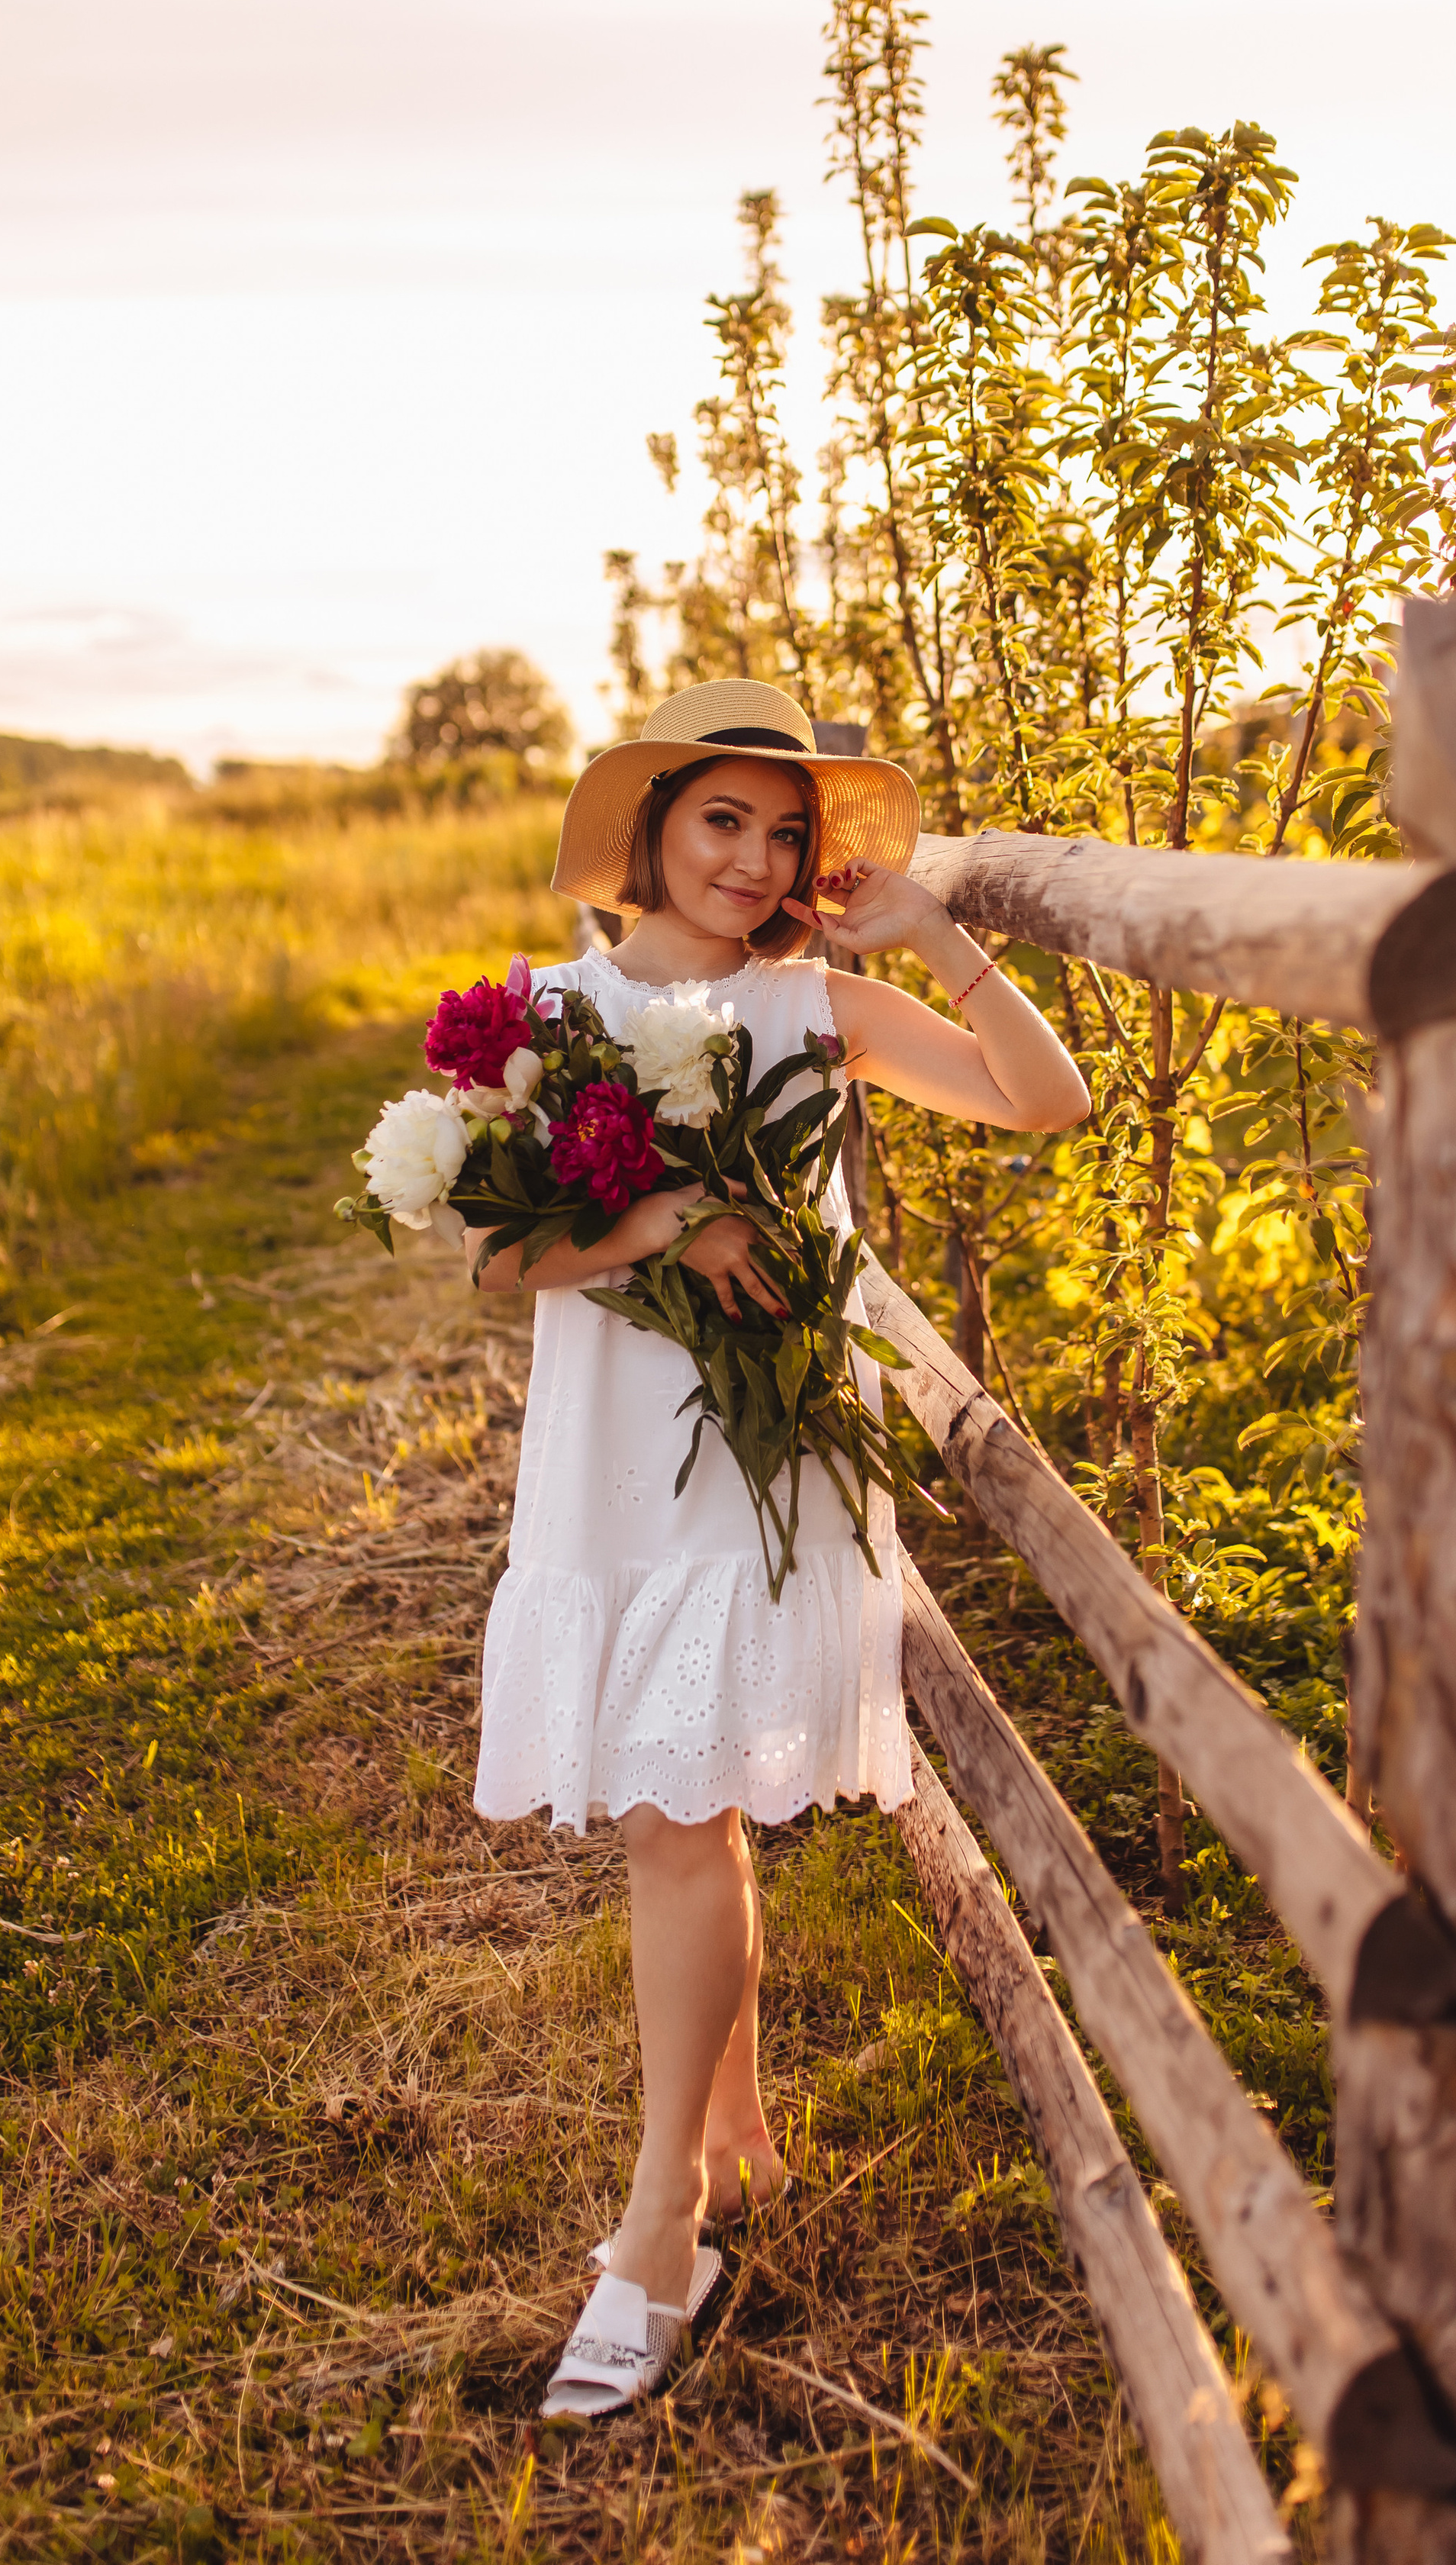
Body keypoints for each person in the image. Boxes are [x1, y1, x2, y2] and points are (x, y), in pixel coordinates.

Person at [465, 680, 1089, 2417]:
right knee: (689, 1810)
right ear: (654, 827)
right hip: (611, 1465)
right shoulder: (551, 1014)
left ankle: (658, 2223)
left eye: (783, 832)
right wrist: (667, 1213)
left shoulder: (817, 1004)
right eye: (720, 821)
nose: (752, 859)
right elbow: (498, 1261)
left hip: (764, 1468)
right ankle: (728, 2142)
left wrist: (936, 936)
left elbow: (1046, 1106)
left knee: (678, 1814)